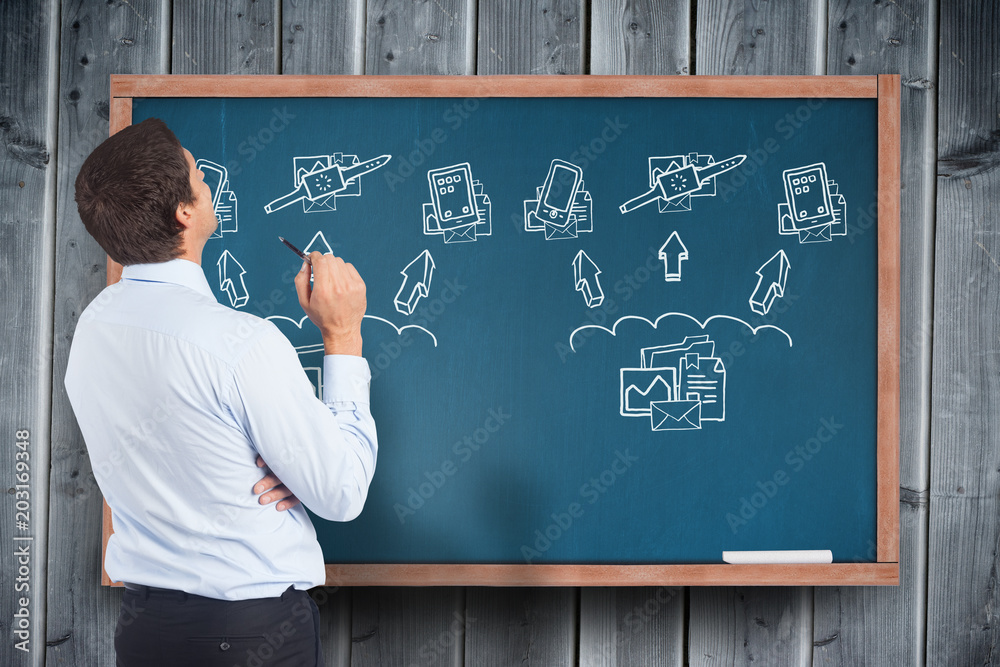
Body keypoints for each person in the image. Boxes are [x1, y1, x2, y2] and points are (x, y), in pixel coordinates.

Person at [64, 118, 377, 666]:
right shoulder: (240, 343)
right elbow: (342, 492)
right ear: (184, 212)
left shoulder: (92, 330)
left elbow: (187, 449)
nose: (206, 176)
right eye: (195, 171)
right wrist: (343, 333)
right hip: (250, 637)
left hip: (147, 634)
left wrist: (278, 471)